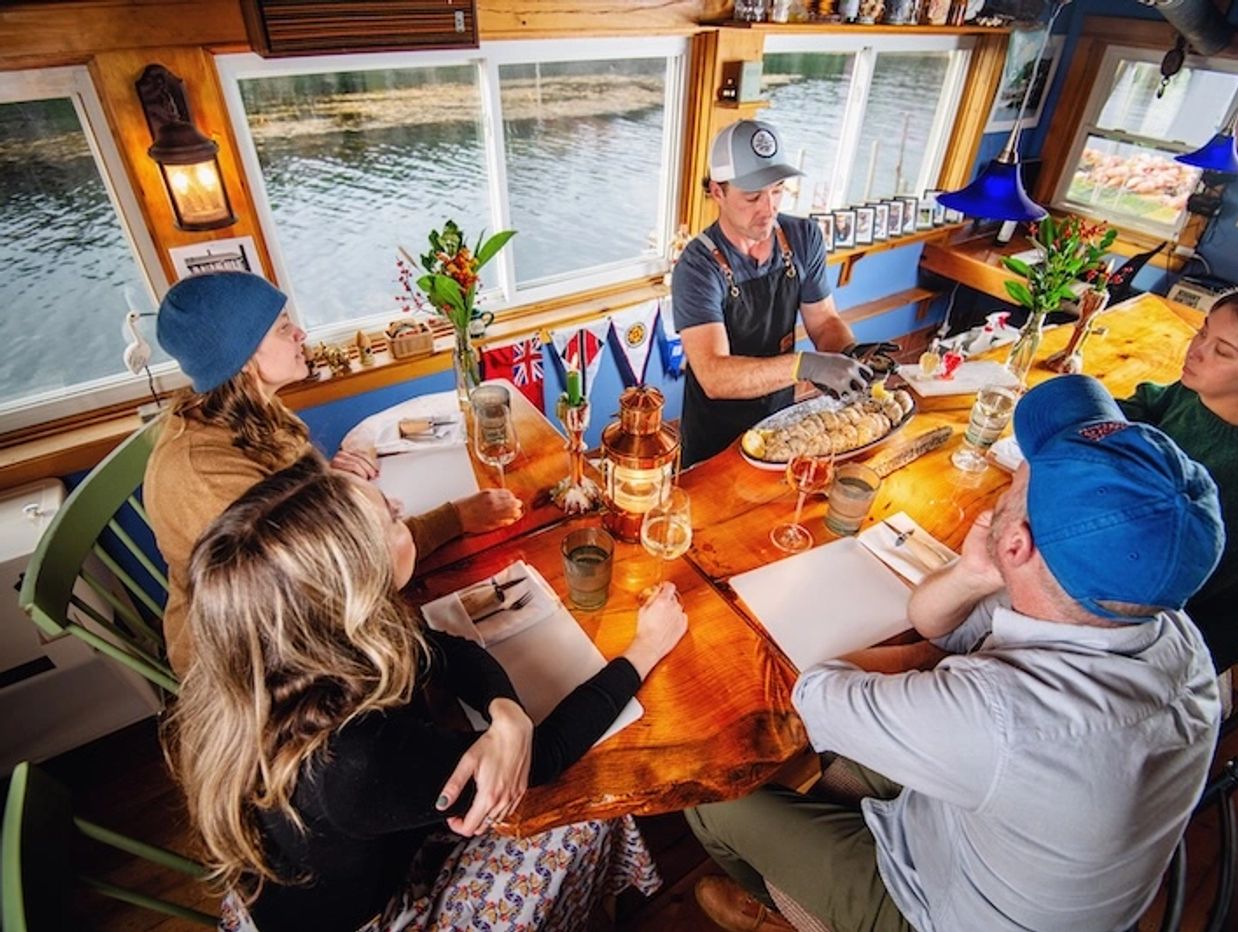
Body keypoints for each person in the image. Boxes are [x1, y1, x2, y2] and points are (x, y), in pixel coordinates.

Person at [686, 374, 1224, 932]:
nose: (1011, 475)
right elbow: (938, 629)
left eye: (1022, 475)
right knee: (852, 751)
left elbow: (818, 691)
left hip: (938, 909)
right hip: (985, 826)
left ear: (1018, 545)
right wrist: (971, 575)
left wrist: (933, 664)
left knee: (712, 797)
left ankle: (777, 916)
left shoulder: (1002, 718)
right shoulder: (1154, 620)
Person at [165, 454, 688, 932]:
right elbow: (541, 760)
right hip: (371, 913)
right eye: (389, 520)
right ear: (354, 586)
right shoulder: (352, 760)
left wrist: (505, 712)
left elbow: (442, 648)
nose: (398, 507)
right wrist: (641, 652)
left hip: (313, 867)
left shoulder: (289, 649)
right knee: (584, 815)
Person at [145, 271, 522, 675]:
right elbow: (327, 581)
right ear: (245, 356)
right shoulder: (204, 477)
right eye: (284, 328)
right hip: (257, 667)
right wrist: (452, 519)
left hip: (315, 609)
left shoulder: (255, 411)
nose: (301, 334)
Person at [671, 120, 884, 467]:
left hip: (779, 418)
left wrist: (851, 355)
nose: (768, 208)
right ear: (717, 192)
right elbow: (713, 375)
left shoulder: (804, 236)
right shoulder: (696, 267)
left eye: (777, 190)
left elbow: (825, 321)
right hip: (715, 430)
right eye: (753, 197)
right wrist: (807, 365)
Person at [1119, 291, 1238, 673]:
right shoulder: (1196, 390)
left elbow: (1187, 579)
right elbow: (1145, 407)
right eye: (1202, 332)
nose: (1197, 350)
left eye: (1223, 351)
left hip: (1165, 630)